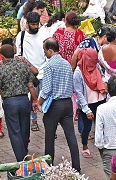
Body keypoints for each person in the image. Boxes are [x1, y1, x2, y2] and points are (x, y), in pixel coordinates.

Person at [36, 38, 82, 170]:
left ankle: (48, 166)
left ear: (50, 50)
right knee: (71, 136)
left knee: (50, 136)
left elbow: (46, 89)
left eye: (45, 50)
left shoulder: (50, 65)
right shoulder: (67, 64)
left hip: (55, 105)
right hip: (67, 103)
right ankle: (76, 166)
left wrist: (39, 103)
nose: (44, 53)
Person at [0, 44, 37, 162]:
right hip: (24, 100)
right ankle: (25, 151)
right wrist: (35, 100)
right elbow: (31, 85)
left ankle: (21, 159)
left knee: (14, 132)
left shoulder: (1, 69)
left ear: (2, 56)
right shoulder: (23, 66)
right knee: (25, 128)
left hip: (10, 102)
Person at [16, 12, 48, 131]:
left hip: (43, 71)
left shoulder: (44, 34)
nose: (35, 27)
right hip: (28, 73)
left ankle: (48, 124)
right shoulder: (21, 36)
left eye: (37, 24)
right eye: (33, 24)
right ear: (28, 24)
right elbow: (18, 54)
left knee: (45, 98)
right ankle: (33, 121)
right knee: (30, 99)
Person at [74, 48, 107, 158]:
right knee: (87, 127)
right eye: (93, 60)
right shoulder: (78, 73)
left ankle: (103, 146)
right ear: (87, 59)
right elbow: (78, 93)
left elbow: (102, 76)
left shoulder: (96, 66)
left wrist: (105, 84)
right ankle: (85, 147)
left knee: (101, 125)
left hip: (100, 100)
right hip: (87, 104)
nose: (95, 62)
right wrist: (86, 110)